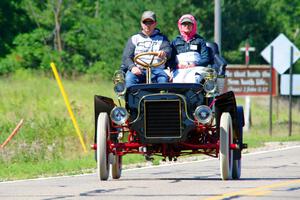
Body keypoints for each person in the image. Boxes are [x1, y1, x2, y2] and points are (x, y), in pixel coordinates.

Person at [121, 11, 172, 88]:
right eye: (145, 22)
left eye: (150, 22)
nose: (148, 25)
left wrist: (164, 53)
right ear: (141, 24)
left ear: (155, 23)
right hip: (139, 69)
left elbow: (168, 50)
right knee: (129, 79)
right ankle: (131, 99)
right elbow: (126, 57)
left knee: (163, 79)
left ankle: (161, 99)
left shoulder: (162, 38)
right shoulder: (134, 38)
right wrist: (132, 67)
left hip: (157, 69)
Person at [170, 14, 210, 83]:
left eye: (189, 24)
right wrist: (177, 65)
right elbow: (170, 60)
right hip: (179, 69)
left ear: (193, 26)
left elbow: (206, 59)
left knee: (192, 80)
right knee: (177, 83)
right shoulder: (175, 42)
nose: (187, 26)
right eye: (184, 24)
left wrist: (194, 65)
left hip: (197, 68)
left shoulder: (200, 40)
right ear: (180, 26)